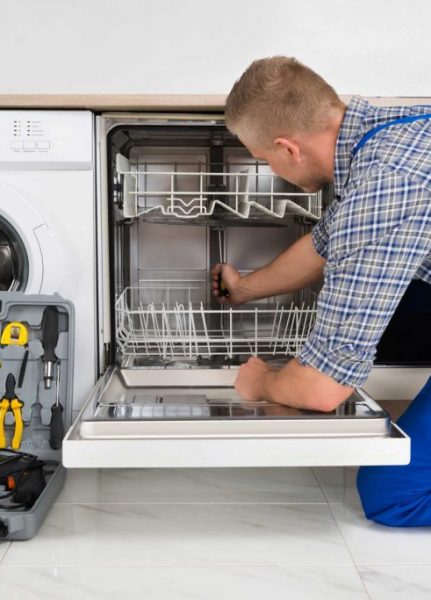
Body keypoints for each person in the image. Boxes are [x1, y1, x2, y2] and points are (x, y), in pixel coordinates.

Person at [211, 56, 431, 527]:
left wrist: (263, 382)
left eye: (263, 159)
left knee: (394, 495)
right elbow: (326, 244)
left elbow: (322, 391)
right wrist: (244, 289)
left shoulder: (385, 184)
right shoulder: (382, 133)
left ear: (288, 149)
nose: (269, 168)